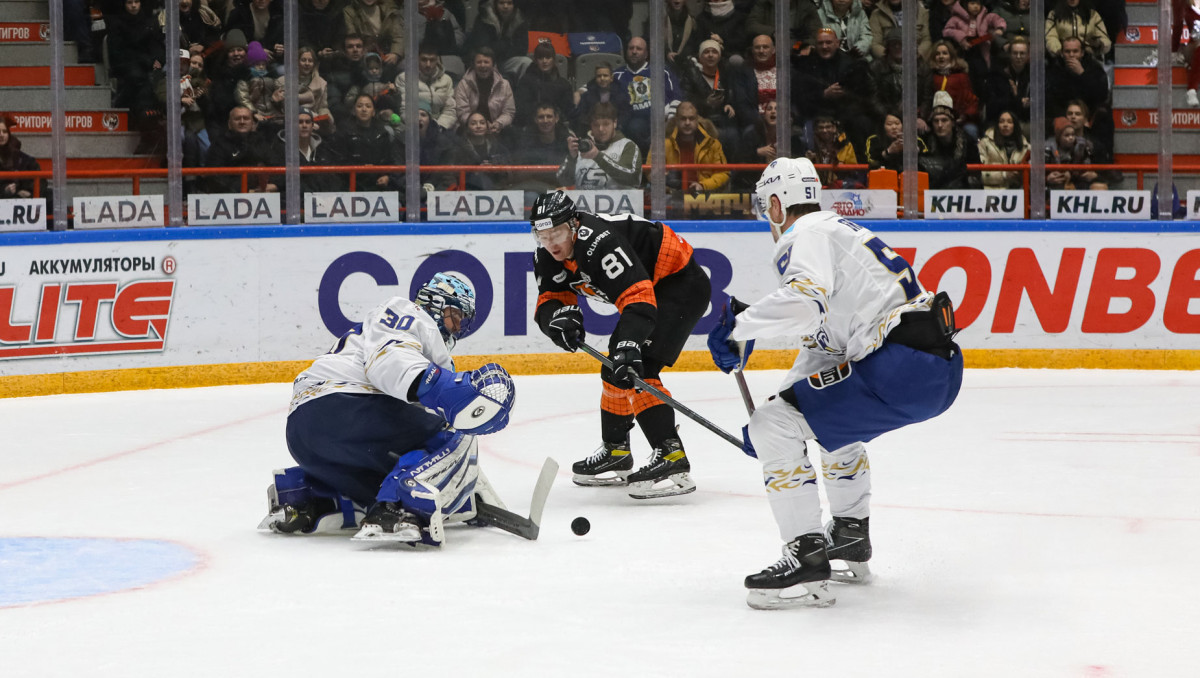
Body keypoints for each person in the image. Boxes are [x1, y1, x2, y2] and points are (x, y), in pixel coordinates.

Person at [706, 156, 963, 610]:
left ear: (776, 204)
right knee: (815, 422)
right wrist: (782, 412)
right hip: (933, 367)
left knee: (774, 425)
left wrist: (737, 327)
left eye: (765, 206)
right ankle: (847, 536)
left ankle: (806, 557)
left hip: (900, 365)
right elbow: (824, 352)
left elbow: (804, 303)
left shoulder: (802, 235)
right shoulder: (836, 233)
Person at [259, 273, 516, 546]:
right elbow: (389, 359)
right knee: (454, 436)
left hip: (304, 432)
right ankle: (396, 509)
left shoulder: (414, 340)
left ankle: (304, 497)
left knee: (391, 470)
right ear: (436, 304)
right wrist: (442, 387)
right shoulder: (409, 313)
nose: (456, 326)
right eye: (455, 315)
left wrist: (460, 487)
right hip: (346, 407)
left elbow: (415, 418)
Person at [530, 190, 712, 499]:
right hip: (650, 288)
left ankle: (670, 454)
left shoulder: (599, 242)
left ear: (573, 225)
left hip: (679, 283)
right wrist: (558, 320)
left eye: (557, 233)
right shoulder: (547, 255)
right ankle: (616, 451)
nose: (551, 243)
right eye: (542, 235)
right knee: (615, 367)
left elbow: (638, 296)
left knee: (638, 364)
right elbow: (550, 300)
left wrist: (629, 345)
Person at [613, 37, 684, 154]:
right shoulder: (617, 74)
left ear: (646, 54)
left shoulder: (661, 71)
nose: (634, 51)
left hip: (662, 120)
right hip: (633, 124)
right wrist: (579, 92)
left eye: (639, 49)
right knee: (635, 126)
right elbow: (593, 86)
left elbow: (676, 96)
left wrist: (670, 119)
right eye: (631, 48)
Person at [557, 102, 643, 190]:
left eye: (606, 124)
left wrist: (597, 156)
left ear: (615, 123)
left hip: (620, 203)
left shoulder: (628, 146)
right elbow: (562, 181)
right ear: (591, 126)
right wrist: (572, 158)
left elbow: (632, 178)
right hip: (584, 203)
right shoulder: (583, 147)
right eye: (596, 125)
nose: (601, 129)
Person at [654, 100, 730, 196]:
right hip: (672, 198)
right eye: (683, 119)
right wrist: (662, 180)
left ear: (697, 120)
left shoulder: (712, 143)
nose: (687, 123)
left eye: (691, 119)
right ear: (676, 120)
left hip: (705, 197)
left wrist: (703, 186)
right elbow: (651, 172)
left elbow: (723, 174)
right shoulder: (663, 144)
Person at [204, 105, 274, 193]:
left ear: (252, 123)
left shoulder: (261, 142)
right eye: (237, 119)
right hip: (229, 195)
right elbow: (214, 176)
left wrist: (274, 185)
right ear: (229, 124)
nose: (242, 122)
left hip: (261, 194)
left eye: (246, 118)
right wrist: (243, 190)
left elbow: (275, 165)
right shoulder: (219, 145)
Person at [453, 46, 517, 136]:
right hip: (470, 128)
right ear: (474, 65)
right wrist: (478, 125)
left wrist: (498, 124)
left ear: (493, 65)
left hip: (496, 129)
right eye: (479, 62)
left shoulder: (504, 84)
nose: (483, 65)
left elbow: (509, 112)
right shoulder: (463, 84)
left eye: (486, 62)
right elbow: (462, 112)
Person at [396, 42, 458, 133]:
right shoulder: (404, 78)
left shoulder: (447, 80)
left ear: (437, 60)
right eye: (424, 60)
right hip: (413, 129)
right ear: (417, 59)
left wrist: (437, 127)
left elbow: (450, 109)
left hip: (440, 129)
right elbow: (404, 109)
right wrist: (422, 126)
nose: (428, 64)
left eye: (432, 60)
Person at [513, 41, 574, 130]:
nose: (544, 61)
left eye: (548, 57)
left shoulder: (563, 84)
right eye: (541, 58)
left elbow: (568, 111)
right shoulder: (526, 81)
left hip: (557, 128)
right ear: (536, 60)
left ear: (553, 59)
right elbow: (521, 109)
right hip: (531, 127)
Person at [976, 108, 1030, 189]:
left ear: (1015, 125)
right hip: (992, 192)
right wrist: (1004, 175)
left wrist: (1021, 176)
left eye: (1009, 122)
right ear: (997, 125)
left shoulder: (1026, 147)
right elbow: (979, 174)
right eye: (1002, 121)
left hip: (1019, 192)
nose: (1005, 125)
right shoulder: (985, 144)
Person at [1045, 0, 1110, 63]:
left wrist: (1097, 44)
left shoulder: (1093, 15)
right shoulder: (1054, 14)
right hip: (1062, 59)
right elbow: (1051, 36)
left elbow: (1104, 39)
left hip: (1089, 59)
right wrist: (1059, 51)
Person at [0, 115, 45, 201]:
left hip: (23, 202)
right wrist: (4, 190)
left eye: (5, 131)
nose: (1, 135)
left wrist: (29, 192)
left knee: (51, 196)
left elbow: (41, 180)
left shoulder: (21, 157)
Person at [1173, 0, 1200, 108]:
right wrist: (1173, 52)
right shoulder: (1181, 2)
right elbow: (1177, 27)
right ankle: (1191, 90)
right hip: (1194, 46)